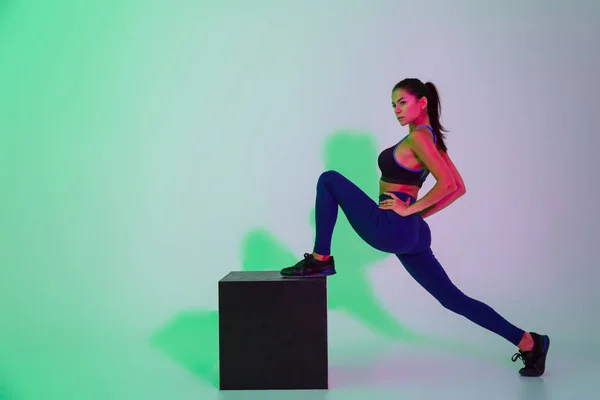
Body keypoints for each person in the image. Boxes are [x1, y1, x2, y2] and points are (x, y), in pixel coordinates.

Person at [279, 78, 550, 377]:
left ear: (422, 102)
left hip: (393, 228)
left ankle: (320, 259)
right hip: (413, 233)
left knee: (329, 179)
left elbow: (449, 185)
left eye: (402, 102)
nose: (396, 109)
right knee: (452, 299)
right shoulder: (431, 140)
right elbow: (458, 187)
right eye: (393, 105)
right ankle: (529, 342)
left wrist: (409, 209)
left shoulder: (420, 138)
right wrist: (415, 215)